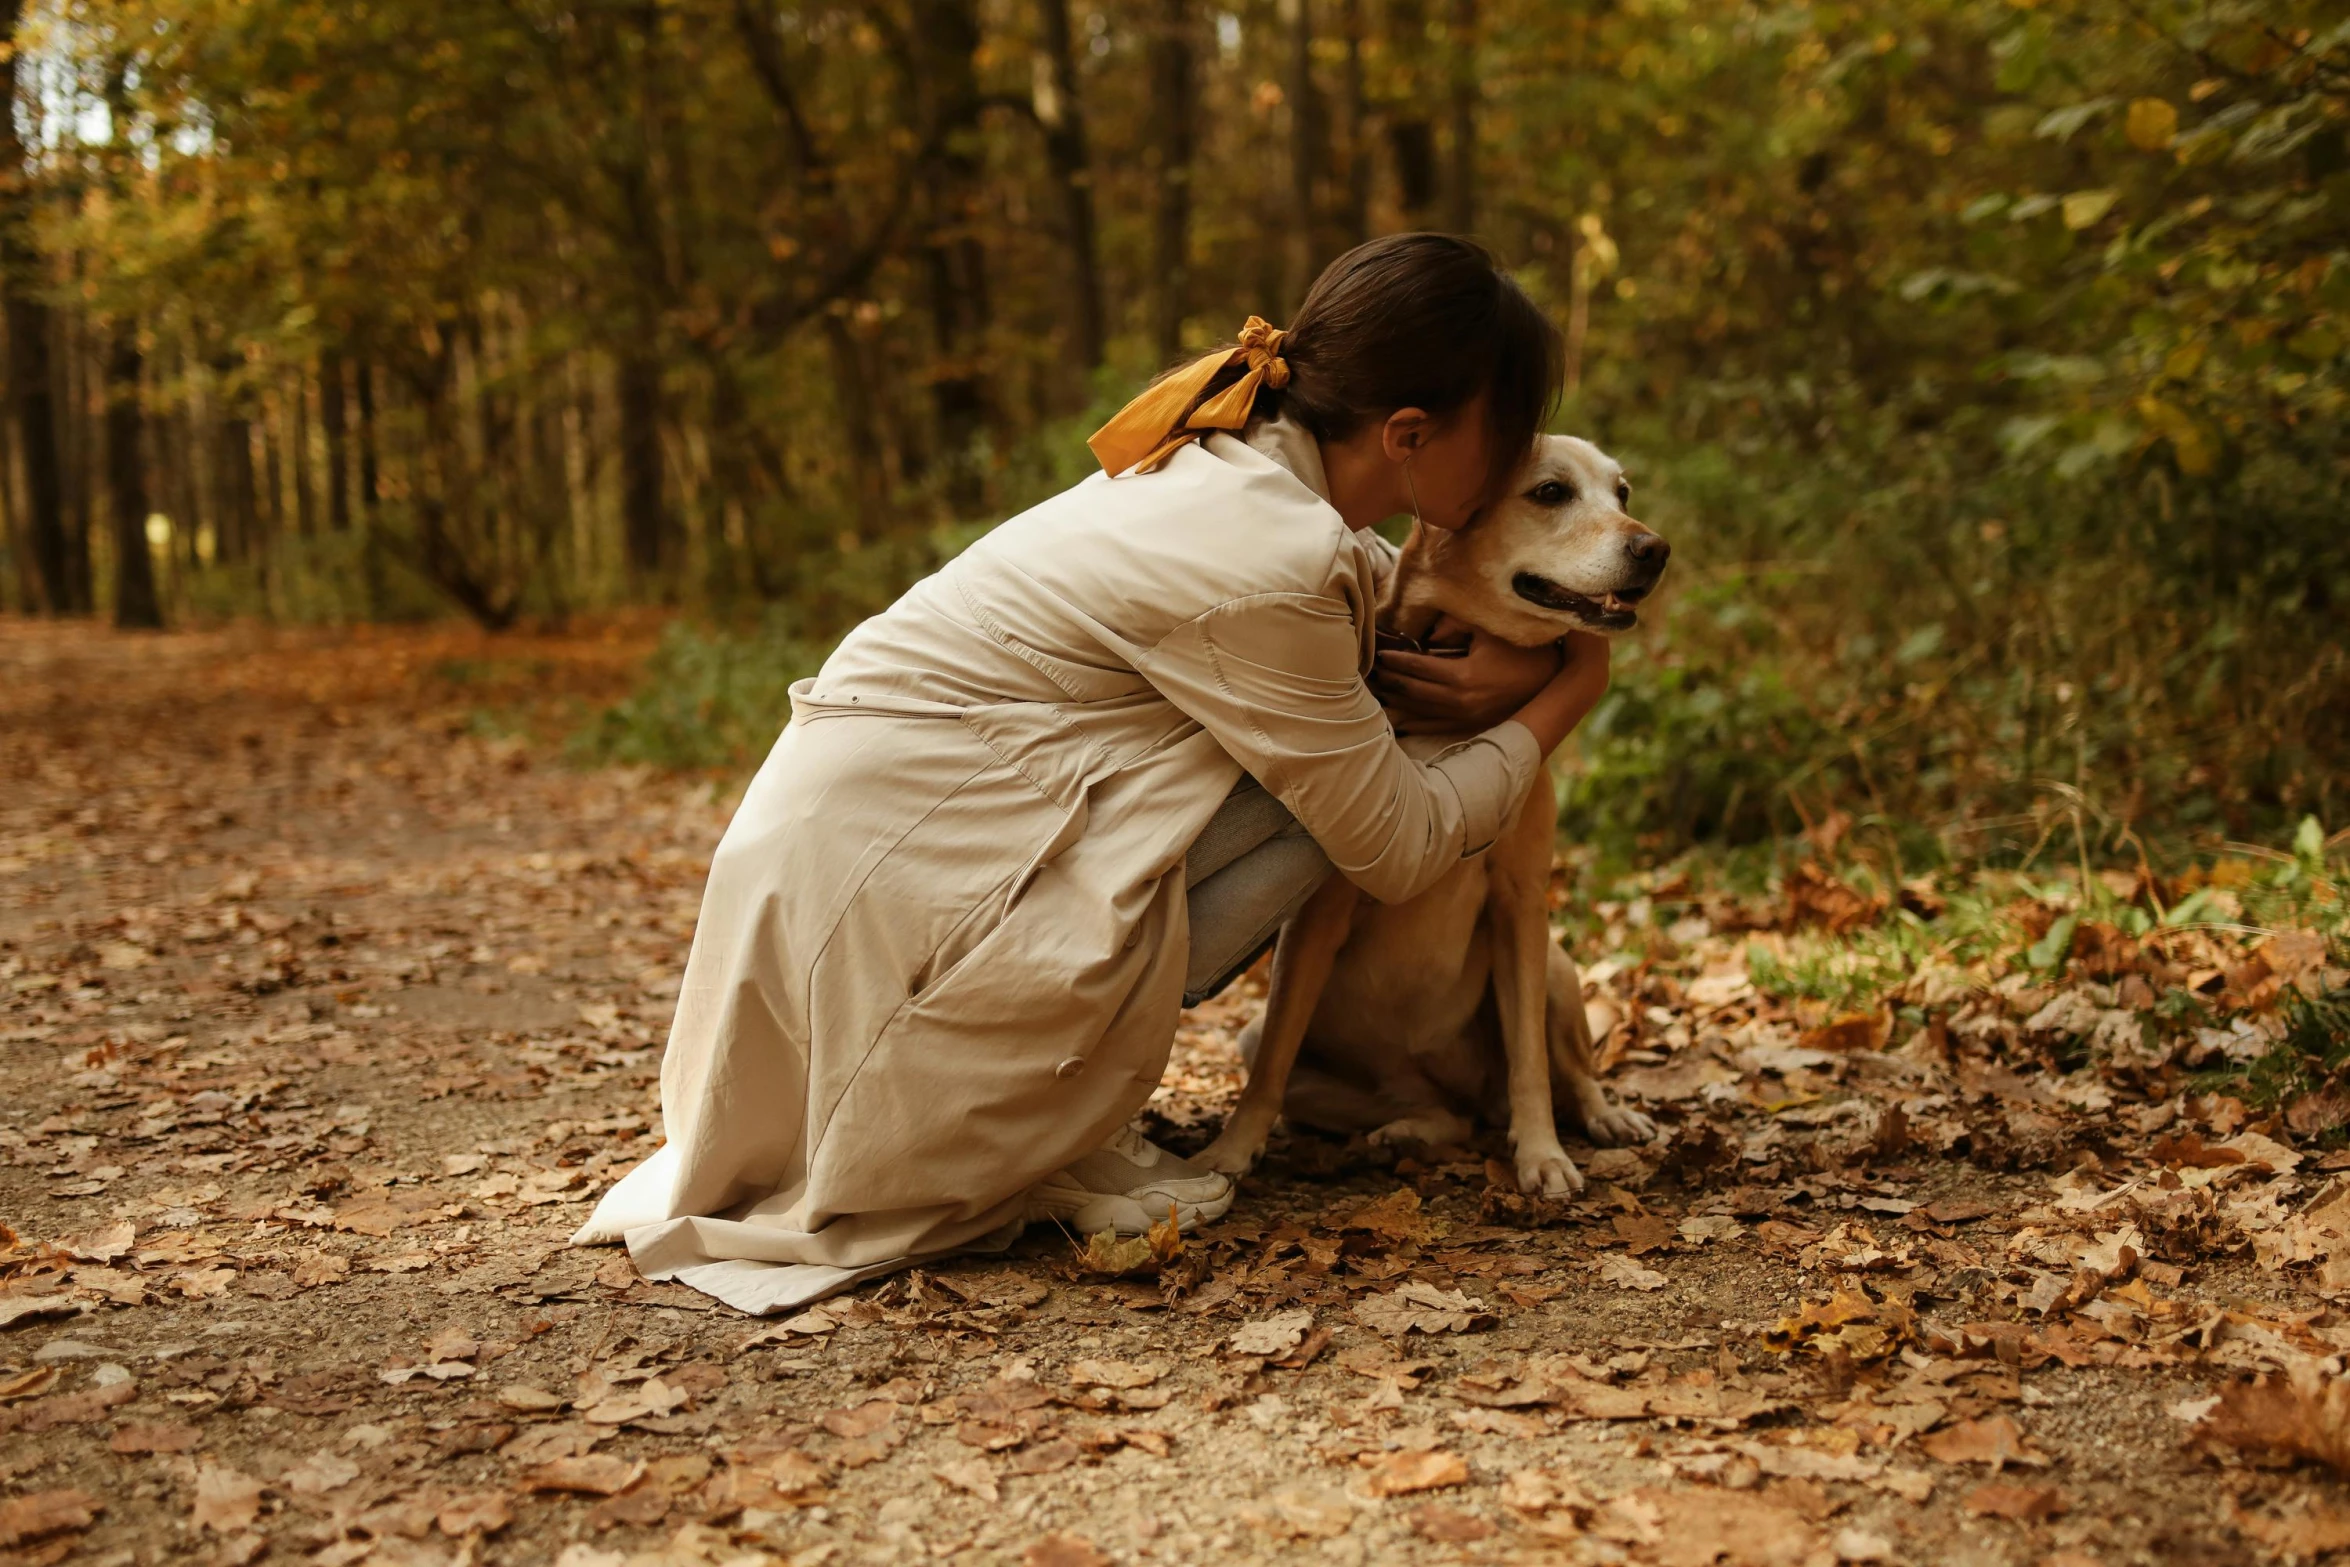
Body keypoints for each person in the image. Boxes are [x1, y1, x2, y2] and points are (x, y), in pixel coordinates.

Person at [574, 234, 1612, 1312]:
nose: (1508, 470)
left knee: (1335, 747)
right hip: (894, 912)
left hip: (850, 871)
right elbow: (1393, 848)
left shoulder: (1234, 463)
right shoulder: (1274, 554)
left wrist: (1499, 654)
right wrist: (1567, 686)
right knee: (1351, 789)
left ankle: (1046, 1099)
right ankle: (1002, 1115)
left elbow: (1373, 607)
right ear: (1407, 435)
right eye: (1505, 443)